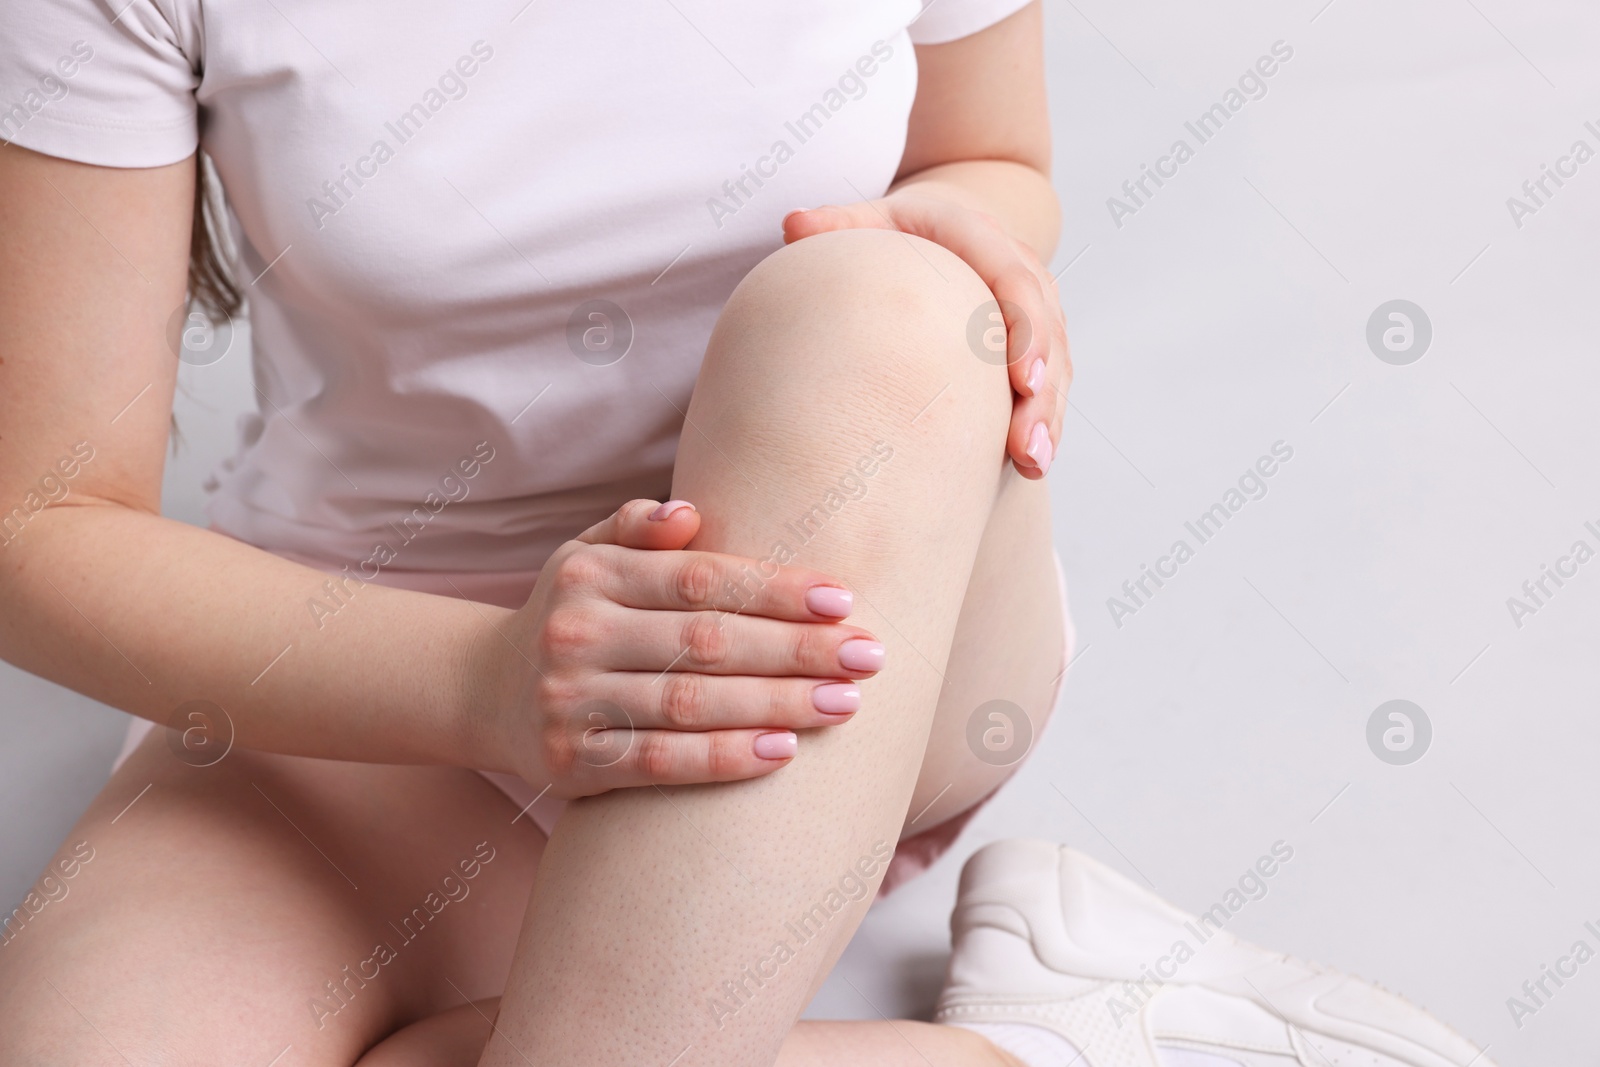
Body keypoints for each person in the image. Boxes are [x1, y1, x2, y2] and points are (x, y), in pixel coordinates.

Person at [0, 2, 1494, 1064]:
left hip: (833, 634)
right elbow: (38, 524)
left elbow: (995, 163)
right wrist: (487, 684)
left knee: (882, 297)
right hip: (364, 689)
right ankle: (1074, 1037)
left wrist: (974, 245)